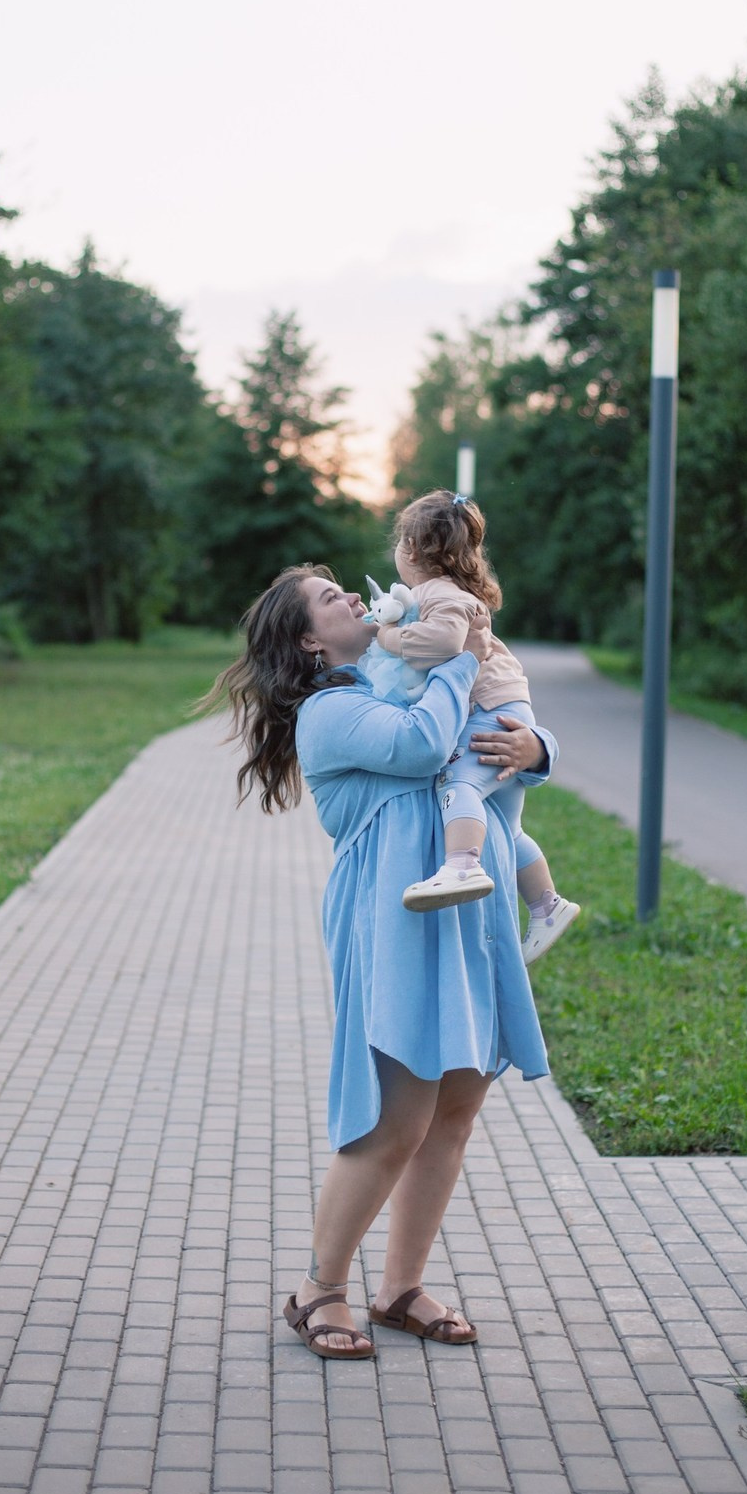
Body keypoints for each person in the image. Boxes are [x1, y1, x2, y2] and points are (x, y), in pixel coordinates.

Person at [209, 564, 555, 1360]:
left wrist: (536, 744)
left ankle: (400, 1287)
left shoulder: (404, 676)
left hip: (466, 911)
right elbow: (428, 743)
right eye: (332, 600)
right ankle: (318, 1289)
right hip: (392, 920)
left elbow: (504, 725)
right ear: (308, 640)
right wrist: (461, 651)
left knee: (456, 1107)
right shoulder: (333, 711)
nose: (356, 599)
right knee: (396, 1117)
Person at [371, 489, 579, 966]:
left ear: (411, 548)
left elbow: (444, 643)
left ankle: (462, 866)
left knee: (457, 780)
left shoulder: (435, 592)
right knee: (507, 824)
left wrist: (388, 636)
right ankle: (546, 904)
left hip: (488, 710)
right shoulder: (457, 592)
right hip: (509, 705)